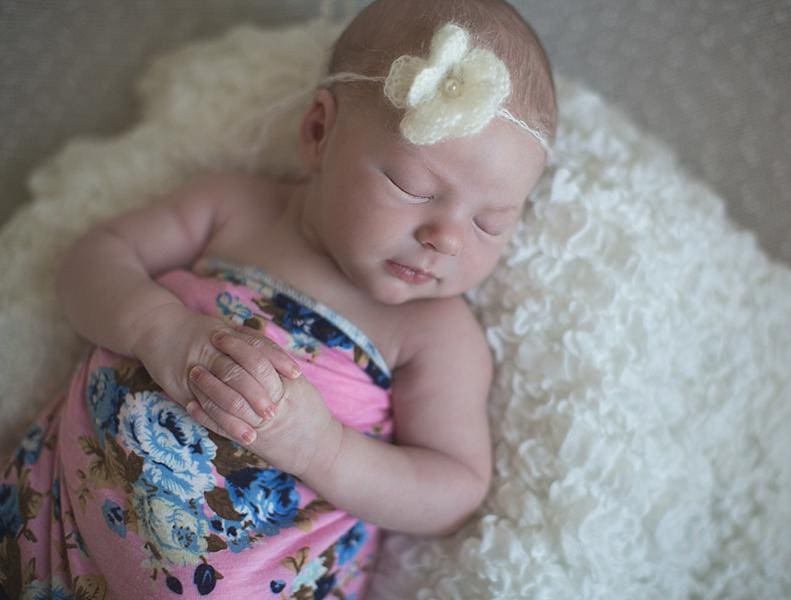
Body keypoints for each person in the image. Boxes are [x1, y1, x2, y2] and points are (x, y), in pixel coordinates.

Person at [0, 0, 557, 597]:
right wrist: (158, 328)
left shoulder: (434, 331)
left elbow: (452, 489)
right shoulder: (235, 208)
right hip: (48, 538)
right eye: (411, 186)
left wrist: (324, 450)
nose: (445, 237)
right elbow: (93, 261)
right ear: (320, 133)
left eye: (490, 223)